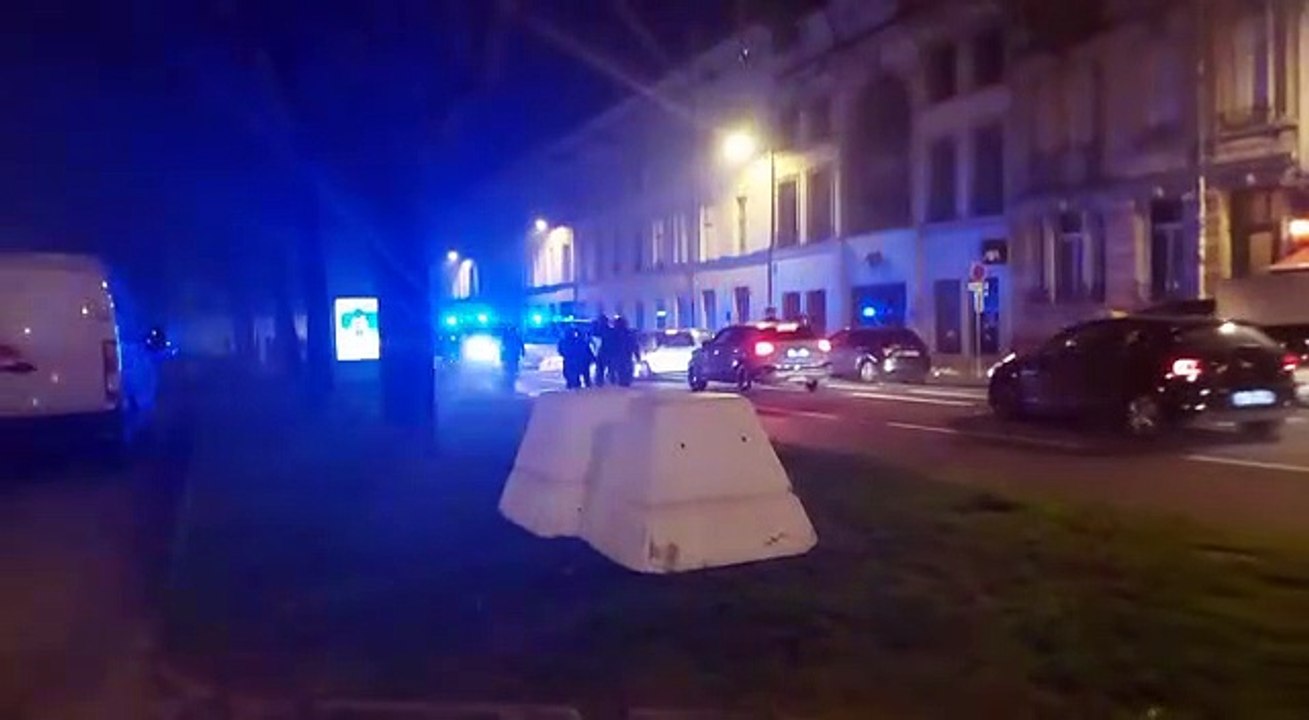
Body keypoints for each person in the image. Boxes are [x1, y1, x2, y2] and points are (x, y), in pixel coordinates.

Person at [608, 316, 641, 387]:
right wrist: (637, 356)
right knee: (625, 369)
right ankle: (625, 381)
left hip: (618, 355)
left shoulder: (613, 334)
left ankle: (620, 381)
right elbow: (635, 345)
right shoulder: (629, 334)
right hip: (625, 355)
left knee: (619, 369)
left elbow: (609, 345)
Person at [500, 324, 525, 391]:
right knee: (511, 366)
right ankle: (510, 377)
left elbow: (502, 347)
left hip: (512, 355)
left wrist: (522, 352)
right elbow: (503, 347)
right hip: (511, 355)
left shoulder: (510, 337)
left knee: (511, 366)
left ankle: (510, 377)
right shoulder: (513, 337)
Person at [591, 315, 611, 387]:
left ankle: (599, 383)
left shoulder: (595, 331)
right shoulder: (609, 331)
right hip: (607, 353)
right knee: (609, 368)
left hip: (600, 352)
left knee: (600, 369)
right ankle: (611, 381)